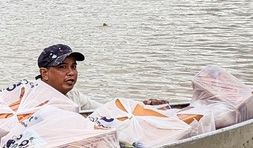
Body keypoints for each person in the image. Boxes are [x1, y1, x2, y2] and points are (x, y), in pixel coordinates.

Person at [35, 43, 168, 111]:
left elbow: (105, 110)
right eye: (62, 67)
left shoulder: (73, 95)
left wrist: (143, 106)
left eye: (73, 67)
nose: (71, 73)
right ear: (44, 73)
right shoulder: (33, 99)